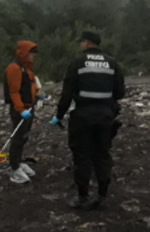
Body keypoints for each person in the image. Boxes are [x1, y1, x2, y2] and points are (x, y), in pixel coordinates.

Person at [51, 31, 125, 209]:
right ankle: (102, 195)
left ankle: (82, 197)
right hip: (105, 116)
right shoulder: (112, 62)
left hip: (83, 116)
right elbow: (120, 93)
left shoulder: (77, 62)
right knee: (102, 155)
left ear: (86, 43)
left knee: (82, 156)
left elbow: (67, 93)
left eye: (81, 42)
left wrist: (59, 115)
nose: (80, 45)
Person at [4, 41, 45, 184]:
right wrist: (21, 110)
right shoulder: (14, 68)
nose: (33, 56)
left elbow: (31, 87)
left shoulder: (26, 69)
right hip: (20, 111)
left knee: (24, 137)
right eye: (31, 53)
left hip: (29, 108)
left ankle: (18, 162)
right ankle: (13, 168)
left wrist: (38, 95)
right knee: (17, 138)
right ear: (23, 53)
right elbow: (14, 92)